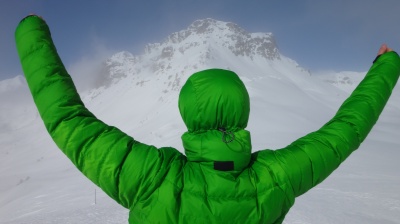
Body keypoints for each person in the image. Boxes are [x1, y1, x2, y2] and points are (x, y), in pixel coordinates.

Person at [15, 15, 400, 224]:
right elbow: (346, 129)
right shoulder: (275, 177)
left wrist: (30, 34)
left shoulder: (153, 178)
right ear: (243, 111)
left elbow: (68, 121)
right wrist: (386, 66)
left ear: (187, 113)